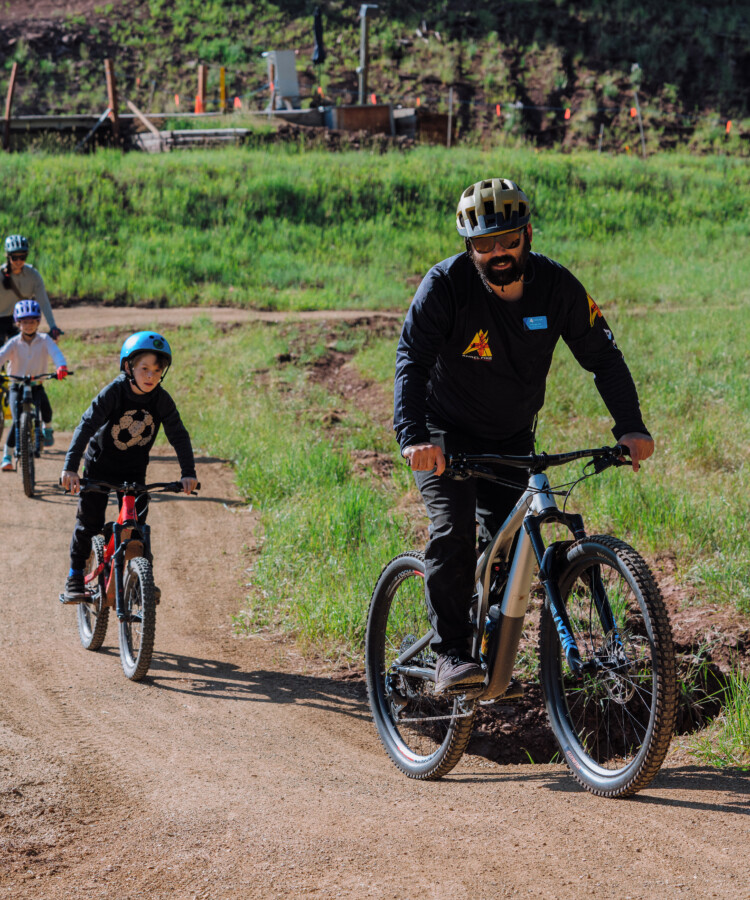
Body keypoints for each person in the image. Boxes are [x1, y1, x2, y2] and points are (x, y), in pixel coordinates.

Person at [394, 178, 654, 694]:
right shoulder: (445, 286)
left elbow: (603, 357)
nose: (498, 253)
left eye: (508, 241)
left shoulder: (557, 287)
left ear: (527, 234)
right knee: (453, 532)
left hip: (511, 435)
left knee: (511, 549)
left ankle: (488, 649)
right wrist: (414, 436)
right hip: (444, 436)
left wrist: (630, 426)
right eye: (485, 245)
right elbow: (412, 361)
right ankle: (449, 653)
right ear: (470, 246)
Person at [60, 331, 197, 602]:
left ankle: (141, 581)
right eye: (144, 368)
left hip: (134, 469)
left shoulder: (162, 400)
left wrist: (188, 473)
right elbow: (86, 424)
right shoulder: (115, 391)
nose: (150, 376)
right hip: (100, 466)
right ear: (128, 367)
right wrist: (71, 467)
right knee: (89, 522)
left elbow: (178, 434)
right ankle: (75, 575)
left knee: (137, 528)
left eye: (157, 371)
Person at [0, 299, 68, 471]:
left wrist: (61, 367)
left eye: (32, 321)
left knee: (46, 409)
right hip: (17, 385)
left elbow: (56, 354)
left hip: (37, 384)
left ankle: (48, 429)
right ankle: (7, 455)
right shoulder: (14, 343)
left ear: (38, 322)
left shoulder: (44, 339)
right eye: (24, 322)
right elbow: (1, 355)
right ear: (18, 323)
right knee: (17, 420)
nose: (28, 325)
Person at [0, 235, 63, 346]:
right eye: (15, 257)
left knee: (21, 354)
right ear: (8, 257)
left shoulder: (33, 275)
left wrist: (52, 326)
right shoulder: (1, 274)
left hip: (19, 320)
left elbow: (43, 302)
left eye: (22, 257)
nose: (19, 261)